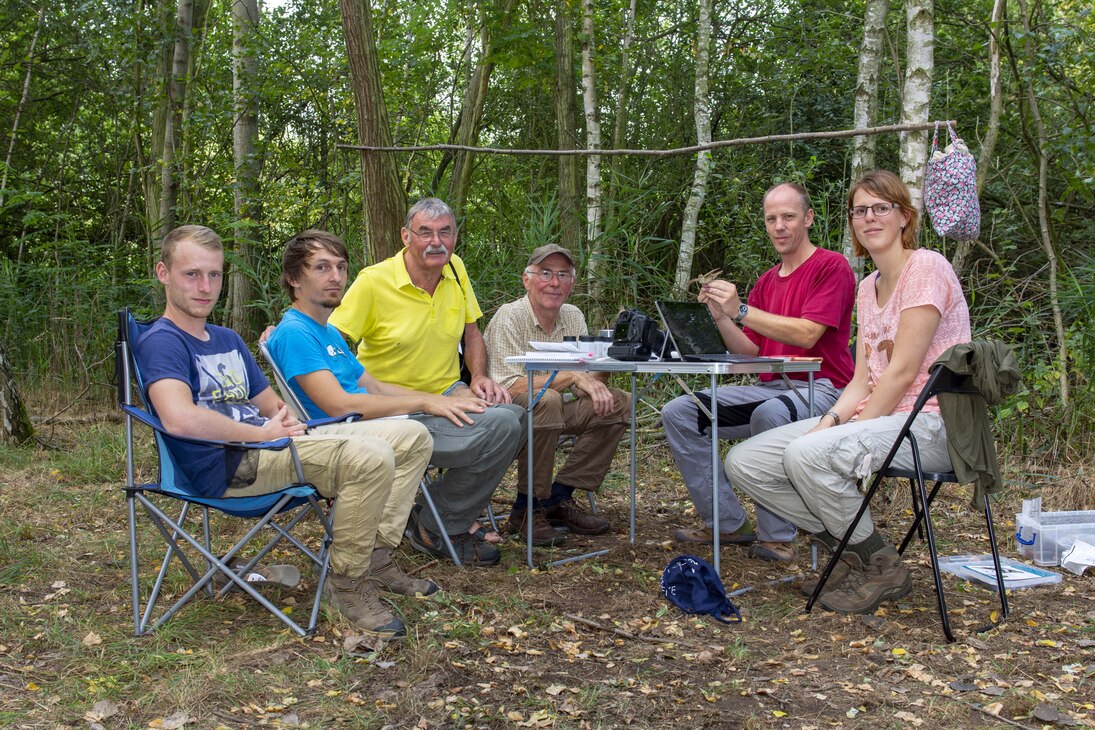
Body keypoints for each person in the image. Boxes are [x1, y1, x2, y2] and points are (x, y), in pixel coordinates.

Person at [136, 225, 434, 640]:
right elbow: (180, 419)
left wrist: (286, 420)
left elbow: (272, 405)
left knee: (413, 438)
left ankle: (375, 556)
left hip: (273, 446)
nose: (206, 287)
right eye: (192, 274)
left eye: (215, 275)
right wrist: (261, 434)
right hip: (226, 466)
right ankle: (345, 584)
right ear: (163, 273)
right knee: (369, 458)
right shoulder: (162, 341)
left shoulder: (225, 339)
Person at [726, 170, 972, 614]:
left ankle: (882, 567)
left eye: (881, 208)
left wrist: (836, 435)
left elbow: (900, 374)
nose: (869, 218)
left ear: (904, 217)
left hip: (934, 421)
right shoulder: (867, 286)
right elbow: (862, 379)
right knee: (746, 462)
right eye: (861, 210)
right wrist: (830, 421)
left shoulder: (927, 267)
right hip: (877, 415)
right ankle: (857, 553)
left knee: (808, 454)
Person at [267, 229, 512, 568]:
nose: (336, 277)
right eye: (321, 268)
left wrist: (438, 400)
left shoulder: (326, 332)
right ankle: (435, 523)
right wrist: (425, 404)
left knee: (508, 415)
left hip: (384, 422)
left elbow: (375, 386)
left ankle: (425, 522)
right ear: (294, 278)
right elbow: (339, 405)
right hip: (352, 435)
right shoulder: (296, 332)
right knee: (502, 425)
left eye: (340, 267)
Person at [661, 182, 856, 561]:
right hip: (772, 387)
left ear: (808, 218)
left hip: (826, 388)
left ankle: (778, 537)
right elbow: (750, 350)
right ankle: (727, 523)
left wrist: (742, 310)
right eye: (772, 219)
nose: (780, 226)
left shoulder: (831, 266)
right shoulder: (767, 281)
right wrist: (720, 318)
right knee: (681, 412)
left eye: (788, 216)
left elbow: (807, 333)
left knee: (772, 413)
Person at [328, 199, 526, 565]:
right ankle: (437, 525)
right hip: (392, 408)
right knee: (500, 426)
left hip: (448, 394)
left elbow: (472, 332)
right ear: (406, 236)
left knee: (516, 415)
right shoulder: (374, 281)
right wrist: (289, 330)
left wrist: (478, 377)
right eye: (425, 233)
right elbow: (330, 342)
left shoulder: (455, 269)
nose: (436, 242)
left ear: (455, 237)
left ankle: (434, 510)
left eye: (445, 232)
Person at [483, 244, 631, 545]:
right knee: (547, 399)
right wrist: (572, 377)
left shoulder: (573, 316)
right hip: (509, 414)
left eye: (563, 275)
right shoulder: (509, 316)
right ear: (527, 279)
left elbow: (585, 378)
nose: (554, 282)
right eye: (546, 273)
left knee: (618, 402)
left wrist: (605, 362)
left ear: (572, 283)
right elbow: (508, 386)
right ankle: (526, 507)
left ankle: (558, 498)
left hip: (555, 413)